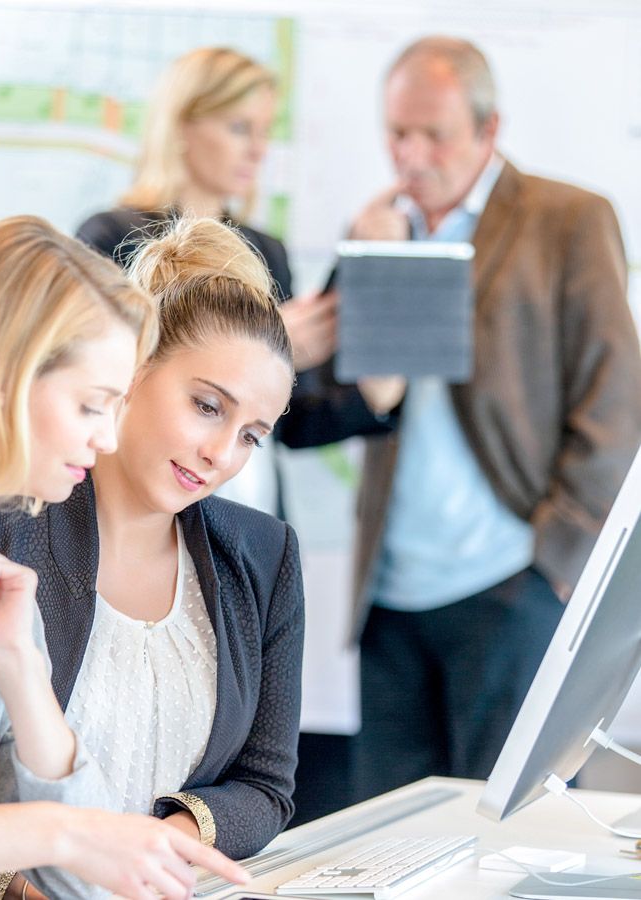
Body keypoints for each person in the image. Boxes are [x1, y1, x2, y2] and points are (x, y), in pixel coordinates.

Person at [279, 35, 641, 801]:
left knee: (506, 835)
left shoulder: (566, 219)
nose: (410, 154)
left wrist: (555, 560)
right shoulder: (379, 228)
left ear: (489, 129)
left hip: (512, 583)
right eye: (396, 132)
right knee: (391, 833)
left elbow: (617, 399)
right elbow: (310, 409)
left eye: (432, 134)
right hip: (392, 596)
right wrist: (373, 263)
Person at [0, 216, 304, 895]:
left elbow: (266, 787)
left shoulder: (262, 556)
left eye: (251, 436)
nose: (222, 455)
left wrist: (149, 855)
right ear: (135, 369)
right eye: (207, 407)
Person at [76, 45, 336, 516]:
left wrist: (379, 394)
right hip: (135, 501)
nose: (258, 150)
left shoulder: (268, 252)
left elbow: (294, 425)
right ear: (180, 127)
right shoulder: (113, 236)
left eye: (264, 132)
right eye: (240, 128)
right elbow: (91, 383)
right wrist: (256, 352)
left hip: (248, 502)